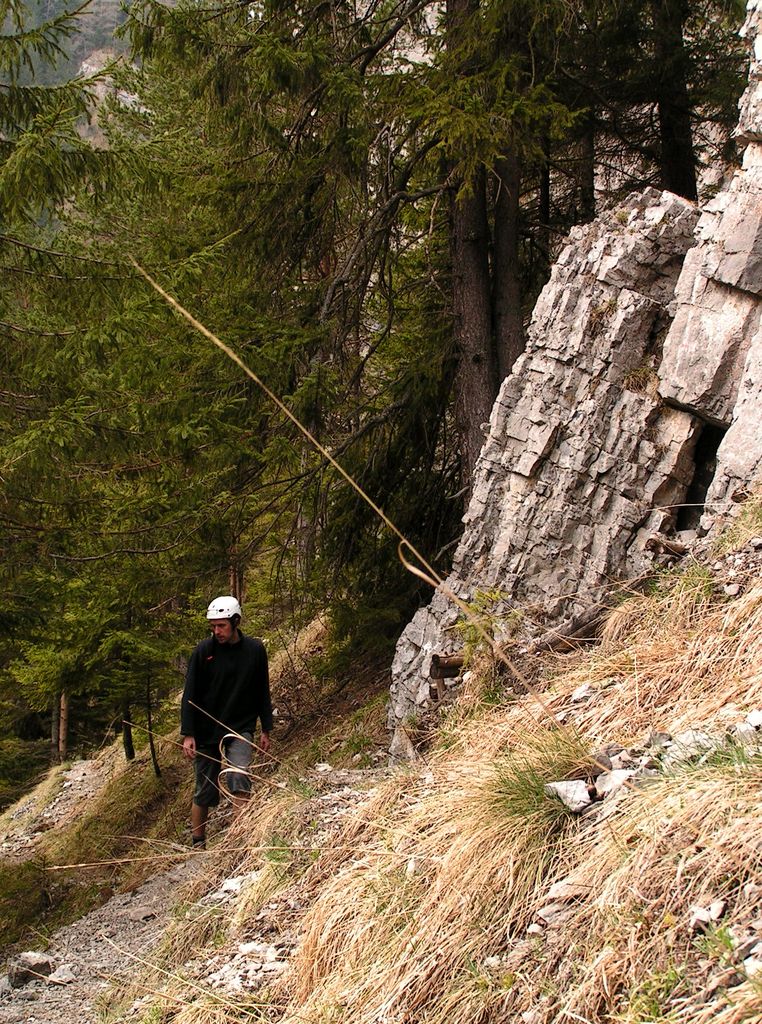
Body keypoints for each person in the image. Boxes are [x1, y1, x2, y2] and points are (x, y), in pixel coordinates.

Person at [180, 595, 272, 850]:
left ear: (235, 622)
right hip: (205, 730)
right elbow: (190, 695)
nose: (216, 631)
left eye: (221, 626)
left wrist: (266, 727)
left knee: (239, 778)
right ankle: (198, 844)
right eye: (213, 626)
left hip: (239, 728)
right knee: (204, 789)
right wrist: (188, 734)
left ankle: (238, 843)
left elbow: (262, 690)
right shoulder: (203, 651)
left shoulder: (255, 650)